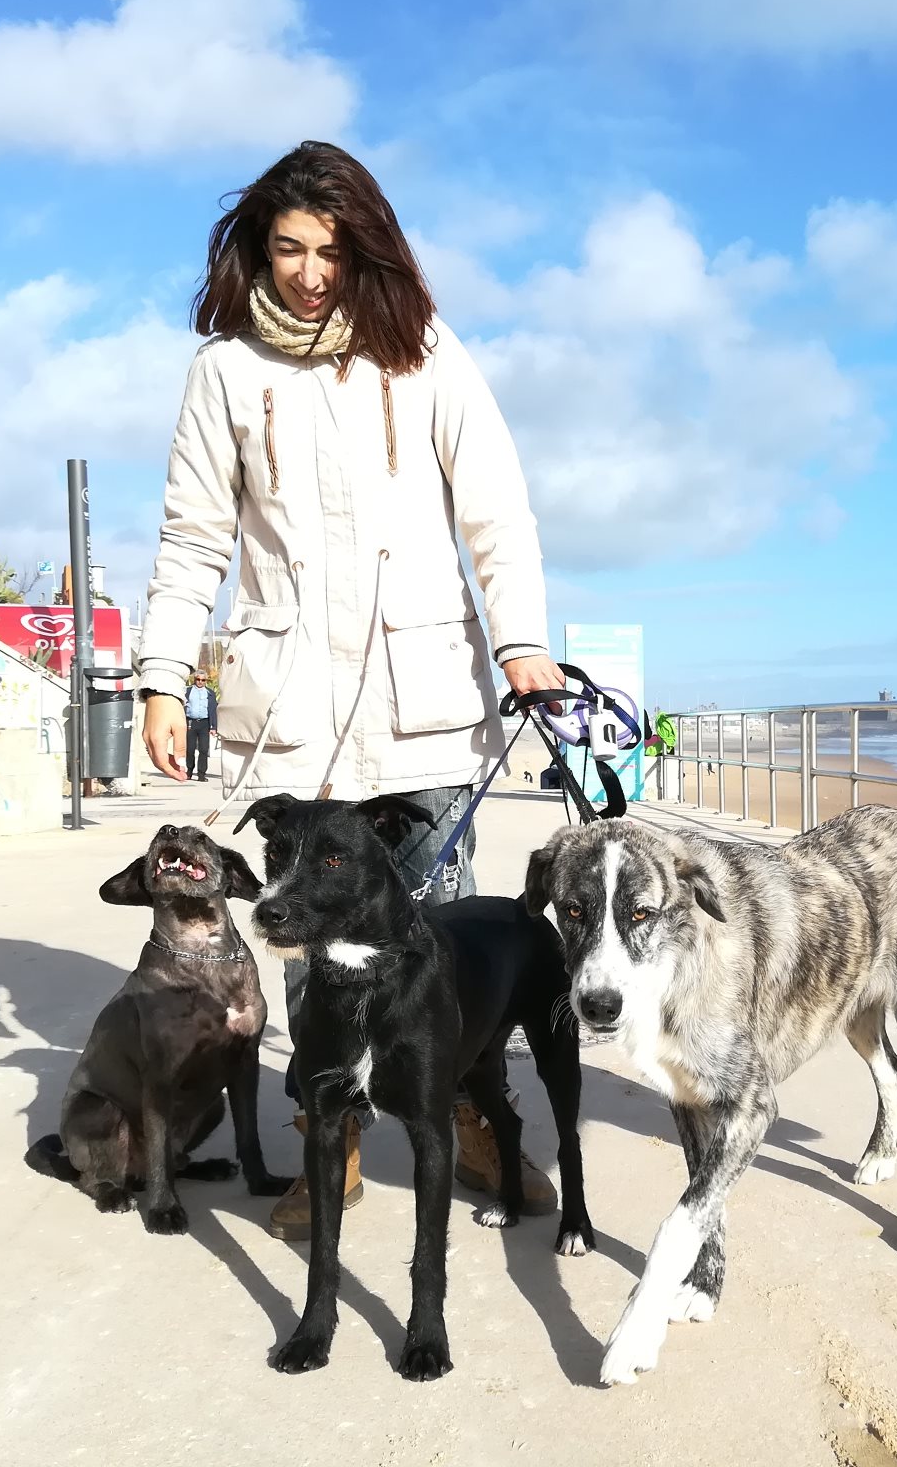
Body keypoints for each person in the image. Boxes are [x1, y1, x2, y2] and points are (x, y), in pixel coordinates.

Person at [133, 140, 567, 1240]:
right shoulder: (224, 372)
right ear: (255, 246)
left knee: (440, 952)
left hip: (421, 706)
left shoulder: (421, 351)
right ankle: (333, 1147)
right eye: (288, 247)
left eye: (331, 250)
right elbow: (192, 539)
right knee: (309, 950)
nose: (311, 273)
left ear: (365, 246)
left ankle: (471, 1113)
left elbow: (496, 509)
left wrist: (521, 641)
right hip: (292, 717)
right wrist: (162, 676)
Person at [183, 671, 217, 782]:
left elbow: (213, 711)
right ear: (194, 679)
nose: (200, 682)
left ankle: (201, 774)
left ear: (206, 681)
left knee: (203, 749)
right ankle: (189, 771)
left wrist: (213, 727)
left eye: (203, 680)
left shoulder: (210, 693)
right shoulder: (187, 691)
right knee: (190, 749)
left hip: (204, 723)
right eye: (198, 679)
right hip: (190, 722)